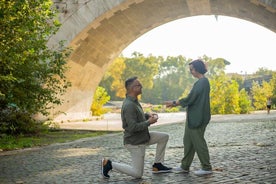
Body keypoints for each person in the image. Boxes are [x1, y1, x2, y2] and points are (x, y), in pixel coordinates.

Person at [101, 76, 172, 179]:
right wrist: (149, 122)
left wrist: (148, 116)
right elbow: (133, 127)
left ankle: (157, 165)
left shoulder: (134, 101)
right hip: (135, 142)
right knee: (137, 174)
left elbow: (138, 117)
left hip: (143, 137)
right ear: (132, 88)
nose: (141, 86)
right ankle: (109, 164)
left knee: (164, 137)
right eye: (139, 85)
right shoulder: (129, 105)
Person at [164, 59, 212, 176]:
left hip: (198, 118)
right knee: (188, 142)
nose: (190, 72)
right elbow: (191, 98)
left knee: (198, 142)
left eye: (192, 69)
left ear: (197, 69)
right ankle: (185, 166)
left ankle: (206, 167)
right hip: (193, 118)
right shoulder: (201, 82)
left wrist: (175, 102)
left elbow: (191, 98)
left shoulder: (202, 82)